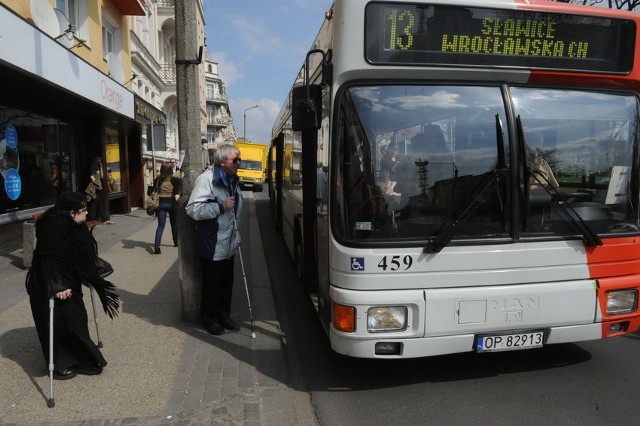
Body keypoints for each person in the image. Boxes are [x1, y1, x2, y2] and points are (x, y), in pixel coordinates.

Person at [25, 191, 119, 380]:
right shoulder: (51, 228)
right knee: (59, 322)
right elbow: (48, 260)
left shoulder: (75, 224)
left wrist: (91, 268)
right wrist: (59, 286)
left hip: (68, 279)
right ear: (71, 212)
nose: (86, 214)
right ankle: (59, 365)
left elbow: (80, 251)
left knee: (75, 318)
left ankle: (80, 358)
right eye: (83, 211)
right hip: (49, 282)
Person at [186, 144, 243, 335]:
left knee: (227, 284)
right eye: (235, 159)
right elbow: (193, 209)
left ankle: (224, 316)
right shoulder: (207, 179)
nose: (238, 163)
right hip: (213, 244)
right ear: (222, 161)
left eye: (239, 159)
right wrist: (220, 207)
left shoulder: (233, 180)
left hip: (230, 244)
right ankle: (209, 319)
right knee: (212, 286)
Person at [152, 161, 181, 254]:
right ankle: (176, 242)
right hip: (172, 204)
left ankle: (157, 246)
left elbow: (151, 192)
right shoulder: (175, 180)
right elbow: (177, 194)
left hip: (161, 204)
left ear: (162, 170)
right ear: (171, 170)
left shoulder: (158, 180)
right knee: (174, 224)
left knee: (160, 225)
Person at [87, 157, 113, 225]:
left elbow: (102, 176)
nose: (100, 160)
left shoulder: (98, 166)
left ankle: (103, 219)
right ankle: (93, 219)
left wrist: (101, 167)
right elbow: (92, 177)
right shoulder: (92, 166)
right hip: (94, 187)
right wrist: (98, 185)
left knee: (98, 202)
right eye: (98, 159)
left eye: (100, 159)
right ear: (95, 160)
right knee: (94, 202)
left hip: (98, 187)